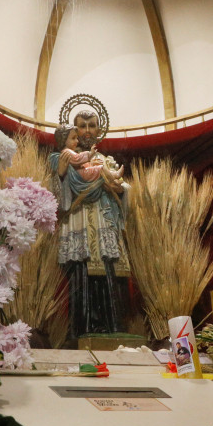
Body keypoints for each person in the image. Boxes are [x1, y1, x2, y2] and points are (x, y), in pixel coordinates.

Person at [49, 110, 128, 338]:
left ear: (98, 130)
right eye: (81, 126)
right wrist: (61, 175)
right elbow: (53, 191)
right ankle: (79, 330)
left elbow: (122, 187)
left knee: (106, 268)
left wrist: (120, 189)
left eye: (91, 125)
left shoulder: (104, 160)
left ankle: (110, 327)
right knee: (80, 270)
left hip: (102, 220)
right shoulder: (65, 156)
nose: (86, 131)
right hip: (78, 220)